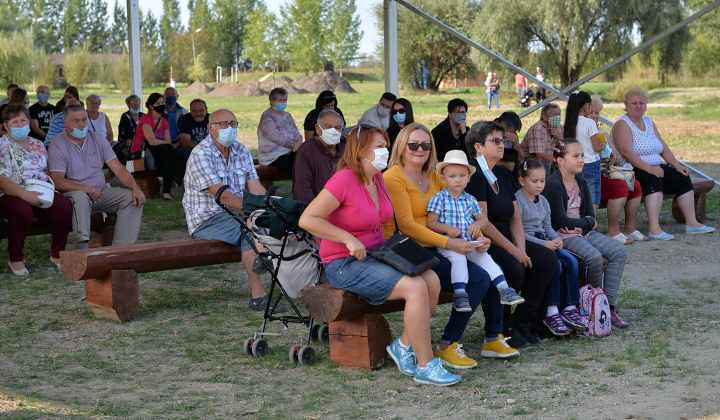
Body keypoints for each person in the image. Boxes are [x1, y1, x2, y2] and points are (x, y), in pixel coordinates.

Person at [299, 124, 461, 386]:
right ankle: (426, 365)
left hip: (378, 253)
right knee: (416, 288)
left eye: (386, 145)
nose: (385, 151)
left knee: (431, 279)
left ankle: (403, 345)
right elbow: (308, 219)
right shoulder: (344, 180)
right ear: (360, 150)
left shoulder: (376, 177)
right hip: (345, 262)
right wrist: (347, 238)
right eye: (379, 146)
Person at [384, 122, 517, 371]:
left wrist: (476, 235)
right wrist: (450, 242)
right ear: (401, 146)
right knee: (477, 279)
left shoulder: (435, 174)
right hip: (413, 248)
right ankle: (448, 344)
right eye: (413, 144)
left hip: (442, 244)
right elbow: (407, 226)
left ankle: (491, 337)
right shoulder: (393, 176)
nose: (420, 149)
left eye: (425, 144)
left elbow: (460, 210)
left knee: (487, 270)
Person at [183, 109, 287, 314]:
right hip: (207, 219)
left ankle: (265, 260)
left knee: (263, 221)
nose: (229, 128)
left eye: (233, 124)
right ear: (210, 128)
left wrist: (270, 206)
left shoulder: (241, 150)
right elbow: (223, 198)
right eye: (223, 124)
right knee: (251, 228)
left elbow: (256, 187)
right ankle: (260, 287)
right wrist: (257, 211)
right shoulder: (201, 154)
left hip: (237, 213)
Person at [464, 121, 558, 348]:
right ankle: (501, 326)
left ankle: (522, 320)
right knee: (514, 269)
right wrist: (514, 250)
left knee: (546, 260)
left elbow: (515, 216)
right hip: (484, 240)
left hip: (508, 237)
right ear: (478, 146)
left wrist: (522, 248)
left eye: (503, 140)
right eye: (495, 141)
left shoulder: (502, 173)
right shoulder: (474, 174)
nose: (501, 145)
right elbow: (483, 223)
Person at [542, 139, 630, 329]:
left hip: (582, 232)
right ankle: (593, 307)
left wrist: (586, 224)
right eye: (575, 156)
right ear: (560, 160)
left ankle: (609, 306)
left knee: (619, 252)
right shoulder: (553, 185)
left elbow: (591, 216)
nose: (581, 160)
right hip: (563, 236)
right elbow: (561, 223)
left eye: (582, 155)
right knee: (594, 257)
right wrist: (587, 223)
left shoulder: (580, 180)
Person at [426, 150, 524, 312]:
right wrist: (448, 229)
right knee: (458, 260)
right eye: (452, 176)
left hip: (470, 241)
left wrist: (478, 225)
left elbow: (483, 218)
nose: (457, 180)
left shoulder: (470, 199)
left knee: (485, 257)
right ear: (443, 179)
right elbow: (431, 222)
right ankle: (460, 294)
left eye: (462, 176)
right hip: (449, 244)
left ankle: (504, 289)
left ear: (469, 178)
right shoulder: (439, 199)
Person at [613, 88, 715, 240]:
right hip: (633, 169)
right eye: (634, 103)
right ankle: (654, 229)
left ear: (646, 105)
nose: (638, 106)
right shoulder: (622, 124)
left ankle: (692, 223)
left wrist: (677, 165)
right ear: (626, 105)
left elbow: (663, 147)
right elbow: (626, 151)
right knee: (654, 181)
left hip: (655, 167)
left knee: (681, 177)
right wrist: (649, 168)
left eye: (642, 103)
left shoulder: (648, 121)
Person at [48, 104, 146, 249]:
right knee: (80, 197)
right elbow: (57, 181)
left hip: (100, 191)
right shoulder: (57, 145)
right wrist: (87, 189)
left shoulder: (98, 138)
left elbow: (118, 168)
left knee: (131, 199)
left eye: (84, 120)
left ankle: (122, 249)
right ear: (65, 123)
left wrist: (135, 187)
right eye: (76, 121)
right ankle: (84, 249)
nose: (81, 125)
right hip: (73, 194)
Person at [0, 104, 72, 276]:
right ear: (5, 125)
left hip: (40, 191)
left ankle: (57, 254)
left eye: (23, 120)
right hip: (11, 193)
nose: (20, 125)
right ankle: (16, 258)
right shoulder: (2, 145)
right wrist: (23, 194)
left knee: (64, 207)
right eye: (14, 121)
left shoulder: (38, 144)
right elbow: (2, 179)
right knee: (23, 210)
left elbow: (46, 171)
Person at [515, 159, 585, 335]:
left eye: (542, 181)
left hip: (546, 240)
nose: (539, 185)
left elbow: (547, 227)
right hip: (532, 242)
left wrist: (556, 239)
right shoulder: (518, 200)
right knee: (557, 264)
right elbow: (520, 232)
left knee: (571, 261)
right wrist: (545, 244)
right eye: (534, 181)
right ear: (522, 181)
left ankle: (570, 307)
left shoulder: (544, 201)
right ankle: (551, 311)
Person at [589, 95, 646, 244]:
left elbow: (618, 156)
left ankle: (630, 228)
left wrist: (614, 157)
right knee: (620, 186)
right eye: (591, 113)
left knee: (636, 185)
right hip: (591, 176)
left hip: (607, 172)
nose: (595, 116)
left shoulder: (601, 130)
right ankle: (613, 231)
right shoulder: (581, 131)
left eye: (597, 113)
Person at [564, 91, 609, 214]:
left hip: (573, 165)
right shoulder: (589, 123)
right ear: (586, 106)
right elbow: (596, 147)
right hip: (590, 163)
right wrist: (603, 145)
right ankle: (591, 224)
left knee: (577, 197)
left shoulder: (569, 122)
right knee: (592, 197)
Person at [292, 109, 345, 205]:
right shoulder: (307, 150)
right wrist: (315, 213)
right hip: (316, 209)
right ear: (318, 128)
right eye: (328, 126)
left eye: (337, 127)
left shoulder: (345, 149)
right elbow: (302, 188)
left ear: (342, 130)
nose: (332, 131)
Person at [131, 93, 176, 200]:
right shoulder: (146, 119)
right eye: (158, 103)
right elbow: (151, 141)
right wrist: (162, 143)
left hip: (158, 153)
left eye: (162, 103)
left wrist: (160, 142)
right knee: (168, 149)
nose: (161, 105)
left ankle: (166, 192)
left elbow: (168, 140)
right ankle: (185, 167)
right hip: (141, 154)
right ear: (151, 106)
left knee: (168, 159)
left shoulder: (164, 121)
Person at [257, 87, 303, 175]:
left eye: (285, 100)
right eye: (280, 100)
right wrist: (293, 145)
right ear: (272, 101)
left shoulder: (287, 116)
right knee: (299, 165)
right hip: (273, 157)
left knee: (308, 157)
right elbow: (275, 136)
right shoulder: (267, 116)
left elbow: (297, 132)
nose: (283, 102)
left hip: (289, 153)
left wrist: (298, 141)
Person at [521, 103, 563, 173]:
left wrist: (560, 137)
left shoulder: (560, 127)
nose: (557, 116)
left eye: (559, 114)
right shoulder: (538, 129)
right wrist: (561, 160)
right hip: (531, 164)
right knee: (546, 164)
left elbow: (568, 149)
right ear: (545, 117)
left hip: (550, 162)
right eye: (554, 114)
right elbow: (541, 157)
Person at [495, 111, 525, 190]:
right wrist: (504, 164)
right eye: (506, 131)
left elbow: (520, 161)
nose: (507, 135)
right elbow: (481, 159)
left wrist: (516, 145)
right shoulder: (488, 132)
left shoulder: (512, 135)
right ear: (499, 124)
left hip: (510, 176)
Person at [177, 99, 210, 172]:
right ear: (190, 111)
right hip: (192, 150)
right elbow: (184, 142)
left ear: (206, 109)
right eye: (194, 111)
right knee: (186, 152)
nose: (198, 113)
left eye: (201, 110)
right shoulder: (186, 119)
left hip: (209, 150)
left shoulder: (212, 119)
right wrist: (201, 148)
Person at [116, 94, 144, 164]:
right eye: (133, 102)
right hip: (128, 144)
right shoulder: (125, 116)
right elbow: (128, 132)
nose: (136, 103)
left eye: (138, 101)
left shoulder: (143, 116)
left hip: (142, 142)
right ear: (128, 105)